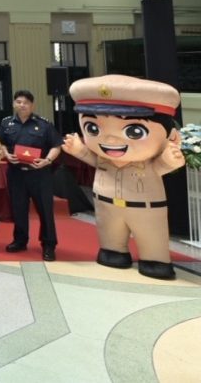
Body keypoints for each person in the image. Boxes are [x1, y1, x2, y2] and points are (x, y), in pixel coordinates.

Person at [64, 75, 185, 280]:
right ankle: (112, 251)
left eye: (134, 131)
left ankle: (155, 259)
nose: (111, 139)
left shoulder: (147, 163)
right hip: (106, 203)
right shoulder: (103, 159)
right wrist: (78, 150)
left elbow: (161, 167)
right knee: (109, 231)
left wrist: (170, 160)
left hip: (145, 206)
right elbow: (91, 159)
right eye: (93, 128)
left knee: (151, 234)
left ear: (171, 136)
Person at [1, 89, 62, 261]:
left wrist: (47, 160)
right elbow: (1, 143)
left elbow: (56, 146)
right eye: (19, 102)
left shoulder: (44, 124)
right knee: (18, 209)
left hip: (39, 174)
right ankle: (20, 241)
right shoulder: (6, 123)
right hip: (16, 174)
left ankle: (48, 245)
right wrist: (6, 154)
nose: (22, 105)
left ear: (32, 105)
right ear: (14, 104)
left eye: (26, 103)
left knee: (45, 211)